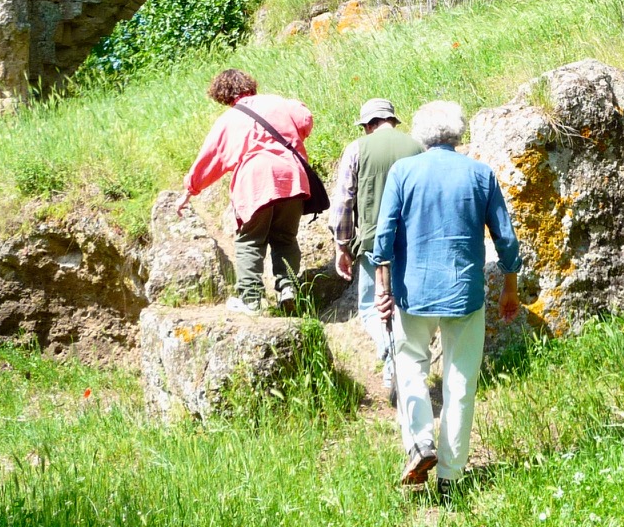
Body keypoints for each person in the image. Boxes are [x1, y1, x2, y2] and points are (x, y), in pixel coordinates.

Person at [371, 100, 522, 503]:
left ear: (421, 133)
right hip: (464, 291)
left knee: (410, 371)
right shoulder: (480, 173)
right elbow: (505, 237)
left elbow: (383, 235)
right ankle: (451, 476)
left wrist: (381, 288)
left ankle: (420, 445)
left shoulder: (404, 171)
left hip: (411, 291)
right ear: (458, 132)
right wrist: (510, 283)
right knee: (460, 382)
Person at [176, 69, 314, 315]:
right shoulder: (279, 102)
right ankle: (288, 288)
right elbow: (305, 119)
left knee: (250, 240)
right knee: (285, 237)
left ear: (223, 95)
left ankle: (251, 299)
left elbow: (211, 158)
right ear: (250, 85)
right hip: (292, 177)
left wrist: (190, 189)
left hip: (255, 180)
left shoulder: (229, 120)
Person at [328, 98, 424, 387]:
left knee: (372, 306)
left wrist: (342, 244)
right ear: (392, 121)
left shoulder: (357, 149)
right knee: (404, 305)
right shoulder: (417, 147)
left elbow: (344, 199)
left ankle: (388, 348)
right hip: (411, 242)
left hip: (372, 243)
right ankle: (400, 366)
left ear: (369, 125)